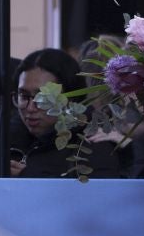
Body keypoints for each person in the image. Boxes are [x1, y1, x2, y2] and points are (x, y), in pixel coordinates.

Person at [8, 47, 90, 178]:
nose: (30, 108)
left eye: (43, 98)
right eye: (23, 96)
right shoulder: (3, 142)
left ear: (71, 98)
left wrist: (29, 178)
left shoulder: (92, 144)